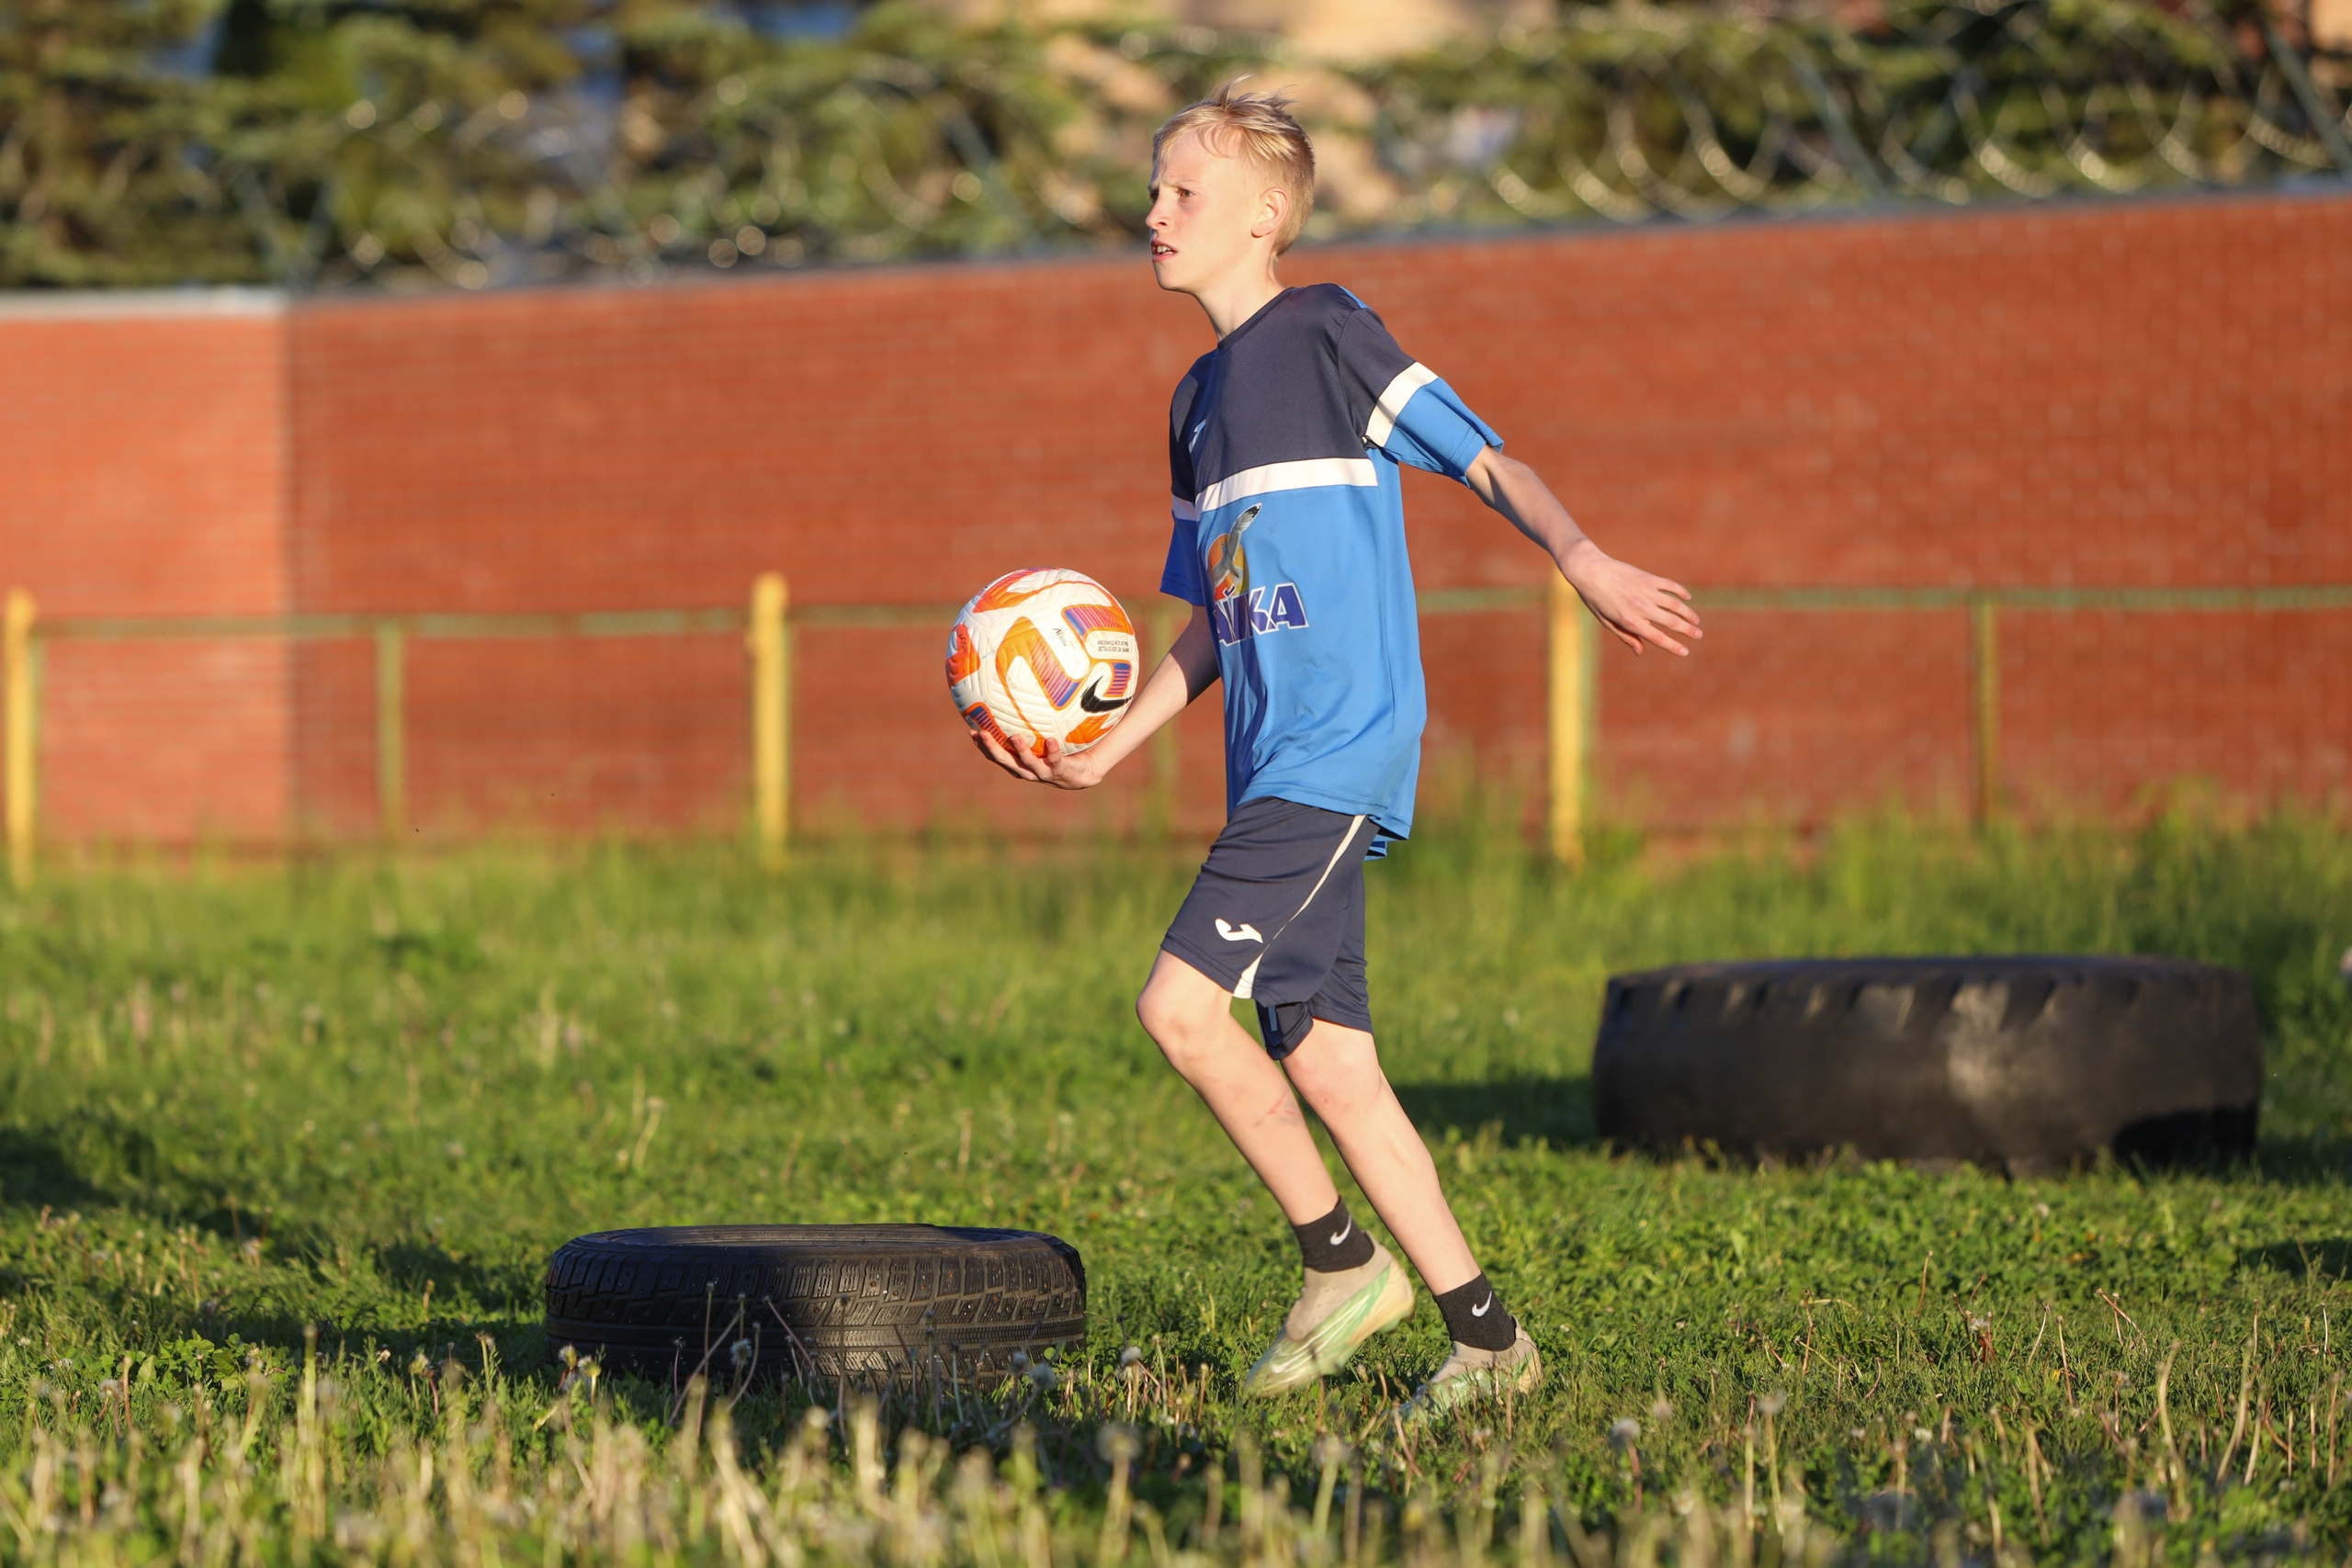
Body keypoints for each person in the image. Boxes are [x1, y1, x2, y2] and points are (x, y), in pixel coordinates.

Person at [972, 83, 1701, 1416]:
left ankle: (1340, 1267)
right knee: (1326, 1059)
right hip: (1273, 770)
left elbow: (1485, 459)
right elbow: (1203, 621)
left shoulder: (1325, 330)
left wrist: (1580, 556)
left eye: (1182, 193)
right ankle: (1489, 1342)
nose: (1154, 213)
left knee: (1180, 1011)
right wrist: (1105, 752)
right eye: (1152, 190)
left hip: (1337, 753)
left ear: (1265, 216)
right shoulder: (1194, 401)